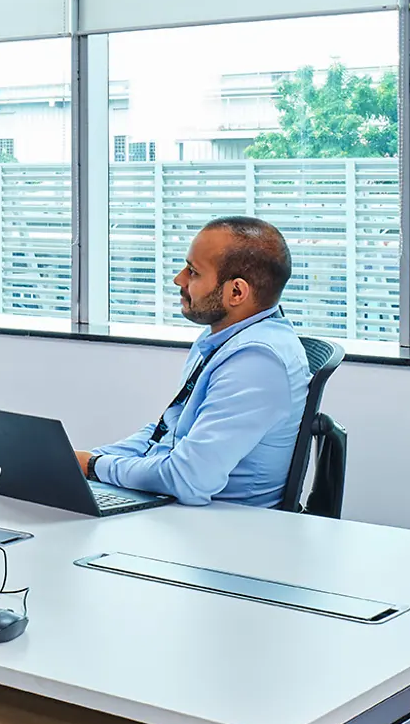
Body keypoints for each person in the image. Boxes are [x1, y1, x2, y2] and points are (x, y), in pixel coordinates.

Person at [75, 216, 310, 507]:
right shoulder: (223, 338)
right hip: (180, 510)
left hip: (223, 526)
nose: (179, 279)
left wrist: (96, 466)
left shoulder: (258, 362)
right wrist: (84, 461)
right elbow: (168, 432)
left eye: (193, 272)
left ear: (237, 292)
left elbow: (188, 479)